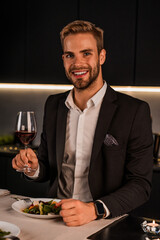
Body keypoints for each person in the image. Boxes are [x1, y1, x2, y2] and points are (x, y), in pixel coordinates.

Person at [12, 20, 153, 226]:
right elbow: (46, 166)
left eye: (86, 53)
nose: (77, 63)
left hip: (103, 220)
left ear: (101, 56)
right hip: (53, 217)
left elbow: (140, 185)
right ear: (63, 59)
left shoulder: (134, 111)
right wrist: (32, 168)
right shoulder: (54, 105)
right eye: (70, 55)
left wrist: (94, 209)